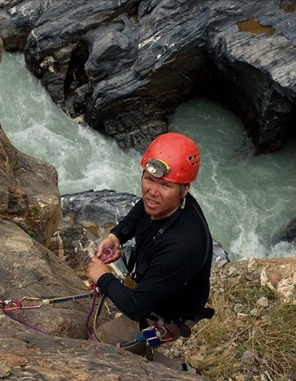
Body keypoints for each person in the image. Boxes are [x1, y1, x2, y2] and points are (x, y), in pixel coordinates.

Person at [87, 132, 214, 366]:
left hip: (164, 314)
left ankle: (176, 376)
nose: (152, 192)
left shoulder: (182, 246)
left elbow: (137, 307)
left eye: (165, 185)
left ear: (184, 190)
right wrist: (117, 235)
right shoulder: (165, 204)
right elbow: (141, 209)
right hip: (158, 293)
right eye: (149, 179)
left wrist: (102, 277)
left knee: (97, 342)